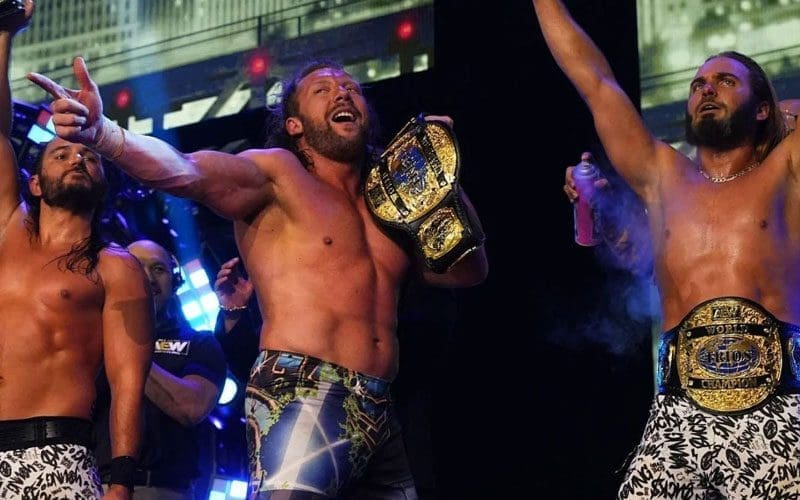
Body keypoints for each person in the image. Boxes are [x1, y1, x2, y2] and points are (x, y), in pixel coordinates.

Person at [28, 58, 489, 498]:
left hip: (381, 405)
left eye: (350, 87)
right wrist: (105, 134)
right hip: (304, 387)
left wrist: (440, 179)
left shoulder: (389, 204)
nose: (342, 93)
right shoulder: (277, 175)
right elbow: (184, 170)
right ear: (295, 124)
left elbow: (468, 271)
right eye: (323, 89)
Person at [533, 0, 800, 497]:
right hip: (677, 415)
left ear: (762, 107)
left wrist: (787, 115)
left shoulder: (786, 171)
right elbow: (595, 82)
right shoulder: (663, 175)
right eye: (698, 85)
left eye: (725, 81)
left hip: (776, 406)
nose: (706, 90)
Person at [0, 3, 152, 499]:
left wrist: (121, 480)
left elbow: (128, 382)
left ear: (104, 183)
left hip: (57, 455)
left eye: (89, 156)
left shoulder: (116, 266)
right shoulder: (8, 230)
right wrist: (4, 35)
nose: (77, 160)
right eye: (61, 154)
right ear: (35, 183)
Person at [93, 239, 227, 499]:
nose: (147, 277)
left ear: (175, 282)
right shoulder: (92, 340)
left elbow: (191, 408)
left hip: (161, 489)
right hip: (92, 485)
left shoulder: (199, 343)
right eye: (135, 267)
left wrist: (126, 349)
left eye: (158, 269)